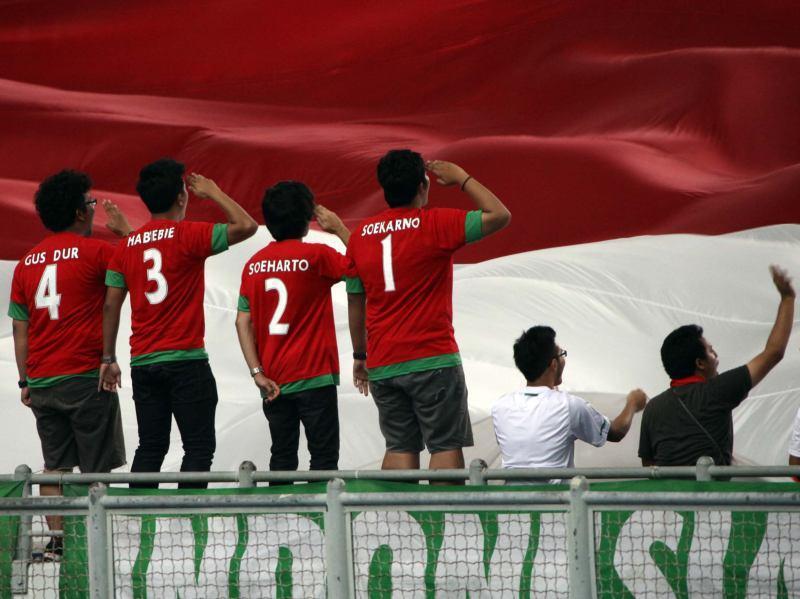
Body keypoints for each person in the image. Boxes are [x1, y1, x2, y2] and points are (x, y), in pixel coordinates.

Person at [346, 149, 511, 474]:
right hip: (432, 357)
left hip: (383, 363)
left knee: (399, 446)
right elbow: (499, 214)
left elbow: (355, 301)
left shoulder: (360, 236)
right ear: (423, 183)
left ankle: (395, 524)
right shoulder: (436, 223)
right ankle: (444, 524)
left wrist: (360, 354)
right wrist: (462, 178)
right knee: (445, 445)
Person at [100, 158, 258, 487]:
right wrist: (214, 192)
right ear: (182, 197)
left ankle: (142, 528)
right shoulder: (189, 235)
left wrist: (107, 358)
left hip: (143, 363)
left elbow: (110, 305)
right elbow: (246, 226)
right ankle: (188, 527)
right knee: (198, 448)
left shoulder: (126, 247)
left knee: (150, 447)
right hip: (186, 362)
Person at [8, 170, 130, 558]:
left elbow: (20, 327)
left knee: (55, 466)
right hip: (85, 375)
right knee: (95, 468)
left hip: (42, 380)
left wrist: (24, 380)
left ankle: (59, 541)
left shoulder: (26, 263)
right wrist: (125, 232)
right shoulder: (98, 252)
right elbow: (141, 260)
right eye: (91, 204)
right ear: (80, 212)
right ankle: (90, 542)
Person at [236, 181, 355, 479]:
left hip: (273, 380)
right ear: (307, 220)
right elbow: (364, 265)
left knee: (282, 457)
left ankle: (279, 522)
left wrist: (257, 373)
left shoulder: (253, 265)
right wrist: (340, 228)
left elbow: (242, 321)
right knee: (324, 460)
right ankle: (325, 525)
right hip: (315, 375)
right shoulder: (317, 256)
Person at [639, 265, 794, 467]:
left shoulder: (652, 408)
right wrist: (787, 299)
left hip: (667, 497)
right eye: (711, 351)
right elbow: (774, 352)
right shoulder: (717, 391)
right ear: (700, 363)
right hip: (711, 496)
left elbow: (649, 464)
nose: (717, 355)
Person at [492, 326, 647, 483]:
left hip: (511, 502)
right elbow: (615, 432)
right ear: (553, 364)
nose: (563, 359)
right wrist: (633, 403)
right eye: (561, 355)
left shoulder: (500, 406)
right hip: (553, 505)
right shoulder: (569, 406)